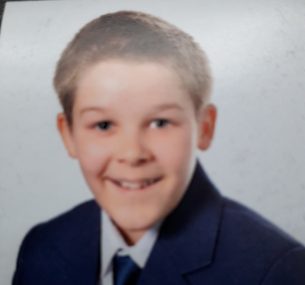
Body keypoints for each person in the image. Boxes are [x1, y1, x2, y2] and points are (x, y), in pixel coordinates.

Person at [12, 10, 305, 285]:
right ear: (69, 135)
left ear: (205, 127)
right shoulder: (43, 246)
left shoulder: (273, 270)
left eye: (160, 122)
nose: (132, 153)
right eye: (103, 125)